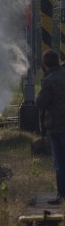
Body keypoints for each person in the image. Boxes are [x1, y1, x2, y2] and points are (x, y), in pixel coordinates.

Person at [37, 49, 65, 204]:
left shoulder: (49, 81)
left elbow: (40, 103)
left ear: (45, 64)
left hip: (57, 127)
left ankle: (62, 195)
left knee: (60, 163)